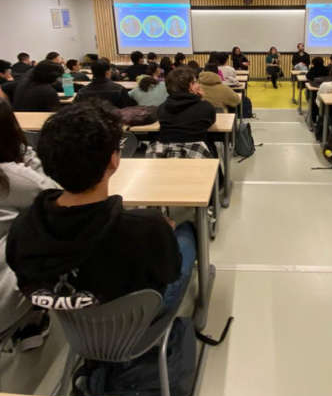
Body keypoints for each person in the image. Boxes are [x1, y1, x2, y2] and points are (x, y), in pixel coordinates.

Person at [6, 100, 195, 313]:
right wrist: (165, 235)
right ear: (113, 159)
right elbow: (170, 273)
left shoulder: (23, 225)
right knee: (187, 235)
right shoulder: (147, 226)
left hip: (74, 324)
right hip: (139, 318)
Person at [0, 100, 57, 349]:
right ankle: (32, 320)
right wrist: (27, 158)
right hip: (6, 294)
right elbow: (58, 198)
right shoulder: (12, 177)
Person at [147, 67, 216, 158]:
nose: (198, 85)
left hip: (166, 157)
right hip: (196, 156)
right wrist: (201, 99)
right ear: (191, 86)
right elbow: (211, 122)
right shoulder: (206, 107)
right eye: (195, 82)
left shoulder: (162, 107)